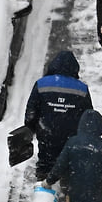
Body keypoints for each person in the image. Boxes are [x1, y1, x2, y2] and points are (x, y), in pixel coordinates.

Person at [24, 50, 93, 180]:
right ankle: (66, 190)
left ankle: (44, 186)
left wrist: (30, 128)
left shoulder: (41, 84)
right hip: (70, 137)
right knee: (68, 166)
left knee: (45, 164)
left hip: (47, 134)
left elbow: (31, 111)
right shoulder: (82, 89)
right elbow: (89, 116)